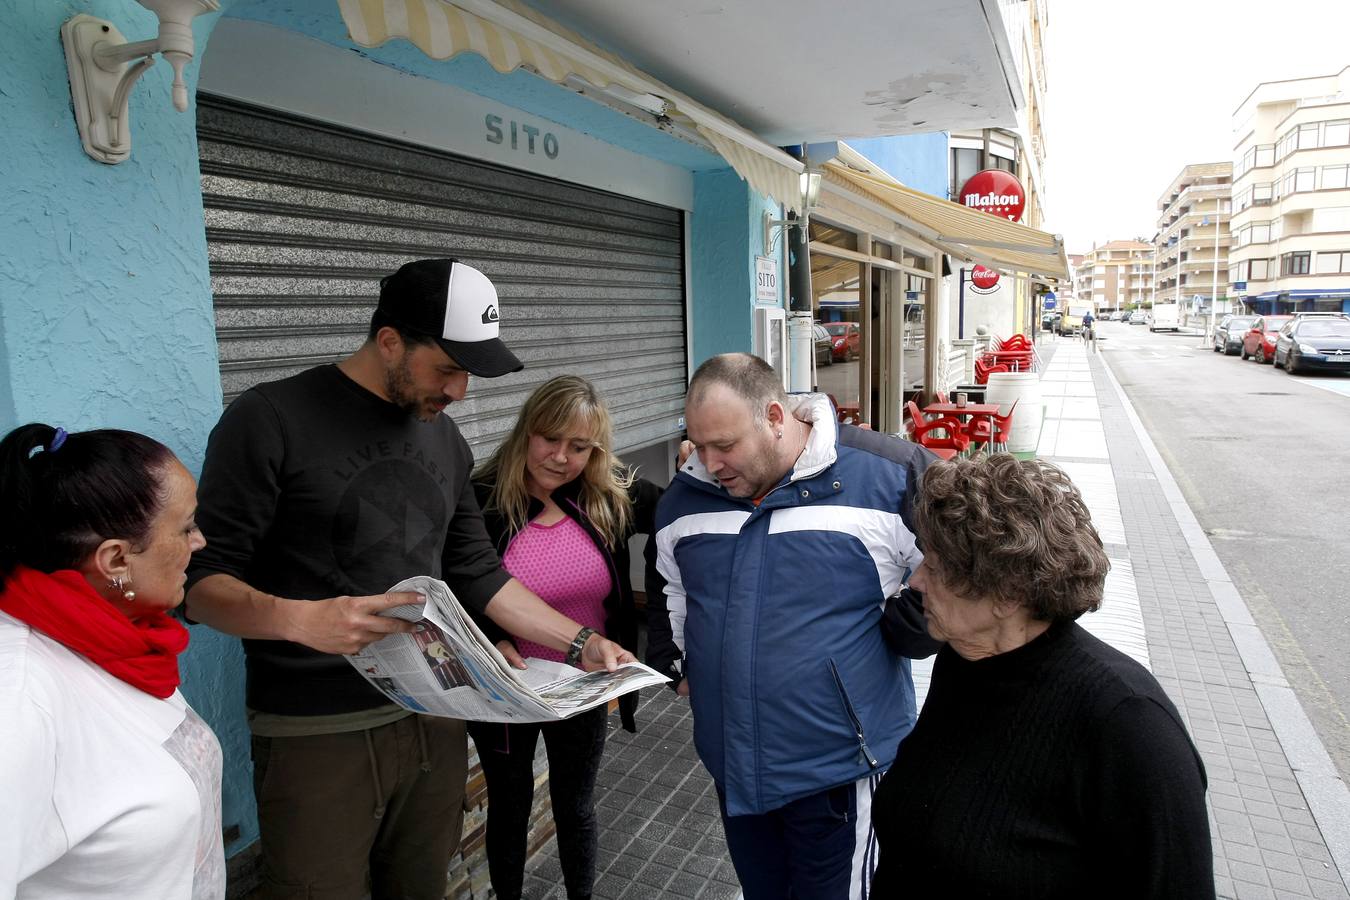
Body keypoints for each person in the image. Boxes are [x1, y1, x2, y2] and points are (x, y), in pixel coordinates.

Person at [184, 259, 635, 900]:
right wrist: (298, 618)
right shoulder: (269, 418)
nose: (458, 392)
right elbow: (197, 583)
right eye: (447, 368)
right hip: (315, 729)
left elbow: (480, 574)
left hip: (436, 713)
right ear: (390, 341)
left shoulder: (445, 441)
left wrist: (578, 642)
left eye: (467, 374)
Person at [646, 353, 940, 899]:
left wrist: (916, 625)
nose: (708, 462)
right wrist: (676, 659)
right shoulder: (684, 499)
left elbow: (964, 564)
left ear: (776, 417)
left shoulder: (889, 474)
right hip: (734, 768)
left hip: (839, 773)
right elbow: (669, 583)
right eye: (698, 444)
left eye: (725, 446)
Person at [871, 455, 1214, 898]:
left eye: (934, 568)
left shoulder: (1128, 725)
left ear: (1007, 594)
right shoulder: (965, 661)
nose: (916, 581)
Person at [0, 424, 224, 898]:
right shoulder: (17, 699)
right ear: (116, 560)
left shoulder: (123, 638)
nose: (199, 542)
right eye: (186, 527)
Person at [466, 375, 663, 900]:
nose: (561, 457)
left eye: (579, 446)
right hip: (505, 686)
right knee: (509, 808)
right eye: (550, 439)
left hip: (582, 682)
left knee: (575, 806)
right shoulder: (482, 500)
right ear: (526, 430)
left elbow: (684, 516)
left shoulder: (608, 495)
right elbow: (457, 579)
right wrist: (489, 636)